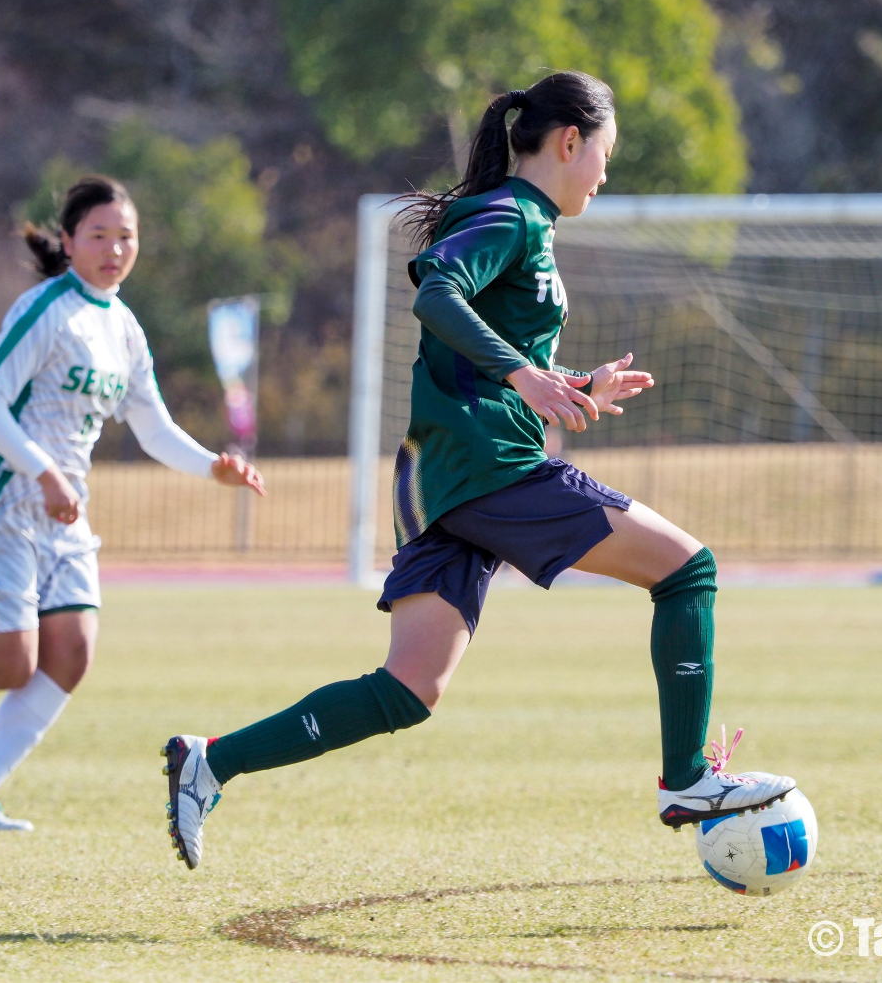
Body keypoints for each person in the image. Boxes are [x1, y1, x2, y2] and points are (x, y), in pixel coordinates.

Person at [160, 71, 793, 870]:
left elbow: (485, 334)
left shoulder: (524, 223)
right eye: (605, 153)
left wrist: (568, 382)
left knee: (407, 690)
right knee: (686, 571)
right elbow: (437, 291)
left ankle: (209, 762)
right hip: (488, 463)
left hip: (438, 473)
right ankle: (688, 779)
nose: (605, 172)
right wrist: (524, 378)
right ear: (571, 142)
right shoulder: (512, 214)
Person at [0, 176, 265, 831]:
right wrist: (44, 473)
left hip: (65, 512)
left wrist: (211, 467)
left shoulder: (124, 328)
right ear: (69, 241)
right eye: (98, 235)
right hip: (8, 505)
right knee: (5, 668)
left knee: (71, 653)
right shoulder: (45, 310)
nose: (113, 248)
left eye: (125, 235)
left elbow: (153, 426)